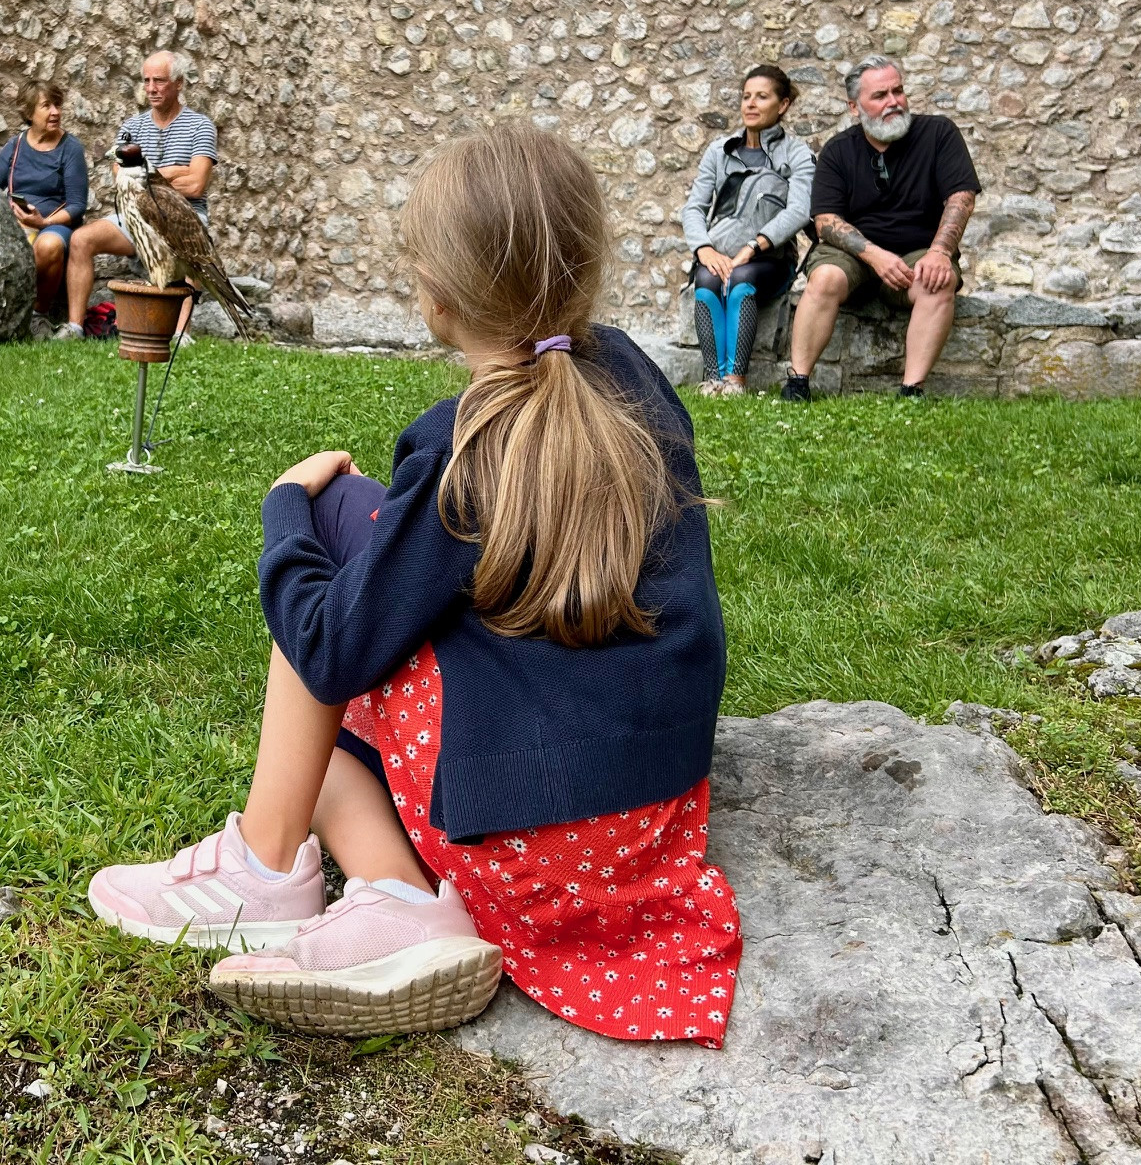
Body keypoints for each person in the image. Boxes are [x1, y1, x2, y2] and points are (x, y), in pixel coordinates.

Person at [87, 122, 743, 1045]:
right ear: (586, 261)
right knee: (346, 622)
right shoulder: (633, 376)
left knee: (330, 569)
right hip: (647, 817)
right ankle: (396, 897)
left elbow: (329, 648)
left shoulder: (462, 447)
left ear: (435, 293)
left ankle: (269, 867)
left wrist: (287, 511)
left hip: (536, 847)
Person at [780, 56, 981, 400]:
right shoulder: (838, 150)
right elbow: (825, 221)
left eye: (898, 91)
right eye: (880, 95)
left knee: (939, 279)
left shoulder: (938, 133)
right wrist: (875, 256)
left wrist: (940, 252)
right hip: (854, 255)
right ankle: (798, 383)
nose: (893, 102)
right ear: (854, 107)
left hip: (918, 250)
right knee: (825, 278)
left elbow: (961, 198)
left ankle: (911, 390)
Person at [58, 50, 218, 341]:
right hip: (134, 215)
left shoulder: (200, 126)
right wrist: (174, 171)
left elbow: (196, 184)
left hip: (184, 218)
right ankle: (75, 328)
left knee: (190, 253)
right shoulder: (132, 128)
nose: (151, 88)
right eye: (146, 81)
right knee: (81, 239)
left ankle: (181, 334)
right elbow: (121, 178)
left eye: (159, 81)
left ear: (179, 83)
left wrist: (148, 175)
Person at [681, 64, 815, 396]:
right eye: (746, 97)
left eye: (762, 97)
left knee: (741, 277)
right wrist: (704, 249)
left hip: (771, 260)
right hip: (720, 254)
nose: (751, 104)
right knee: (706, 279)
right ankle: (713, 380)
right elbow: (694, 207)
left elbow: (800, 210)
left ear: (783, 105)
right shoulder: (719, 151)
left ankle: (735, 382)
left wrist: (754, 246)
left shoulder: (797, 153)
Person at [0, 82, 87, 316]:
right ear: (29, 113)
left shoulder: (71, 149)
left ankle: (38, 314)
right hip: (17, 223)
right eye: (47, 106)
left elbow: (77, 205)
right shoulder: (15, 145)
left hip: (55, 225)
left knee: (48, 245)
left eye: (57, 105)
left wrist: (43, 223)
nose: (55, 112)